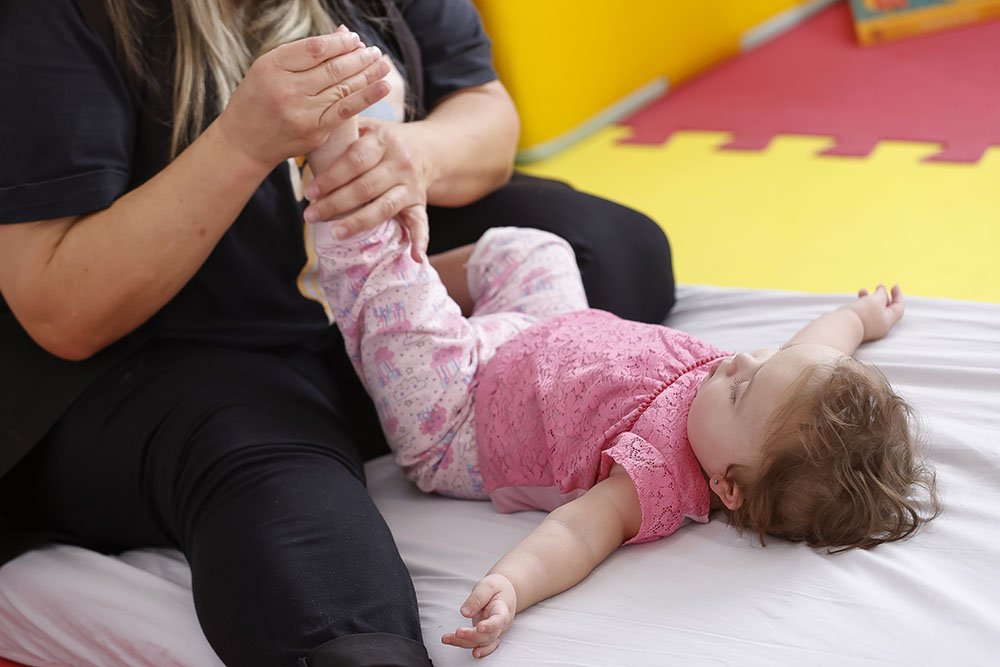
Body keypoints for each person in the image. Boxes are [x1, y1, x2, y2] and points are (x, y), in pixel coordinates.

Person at [0, 1, 674, 665]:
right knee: (284, 508)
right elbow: (62, 310)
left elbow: (486, 112)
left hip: (328, 291)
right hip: (167, 350)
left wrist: (409, 157)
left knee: (616, 250)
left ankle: (393, 358)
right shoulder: (60, 18)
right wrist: (242, 142)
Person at [311, 203, 941, 658]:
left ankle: (357, 247)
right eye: (766, 362)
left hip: (461, 414)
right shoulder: (750, 407)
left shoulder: (657, 476)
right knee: (538, 249)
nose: (743, 360)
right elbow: (809, 348)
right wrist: (857, 319)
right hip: (537, 329)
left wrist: (509, 586)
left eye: (745, 385)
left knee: (398, 296)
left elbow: (580, 533)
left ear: (726, 487)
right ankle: (386, 291)